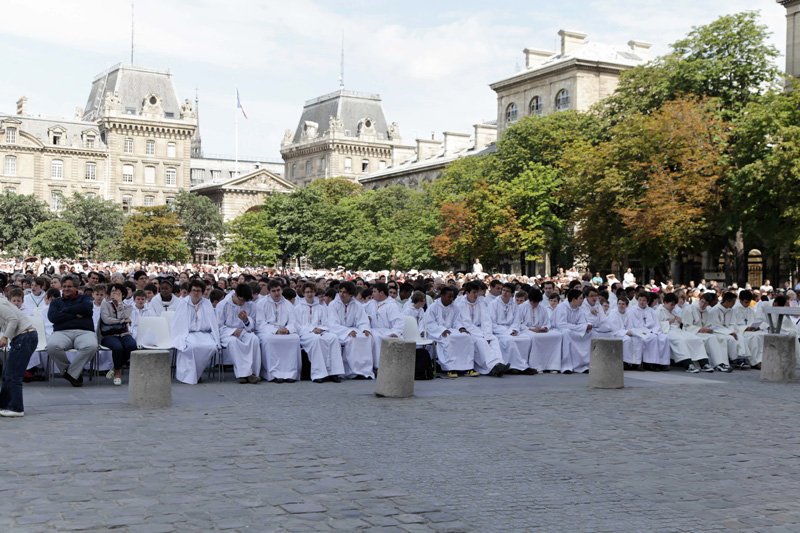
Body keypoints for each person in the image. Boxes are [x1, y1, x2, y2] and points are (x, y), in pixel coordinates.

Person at [47, 275, 98, 387]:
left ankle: (70, 373)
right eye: (64, 286)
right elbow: (53, 318)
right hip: (62, 332)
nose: (66, 289)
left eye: (69, 286)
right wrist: (75, 314)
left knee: (91, 346)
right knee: (52, 346)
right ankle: (72, 372)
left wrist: (64, 311)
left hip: (84, 332)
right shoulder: (56, 302)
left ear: (76, 288)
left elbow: (86, 309)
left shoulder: (85, 298)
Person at [171, 279, 220, 385]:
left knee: (211, 346)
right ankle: (189, 375)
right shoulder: (183, 303)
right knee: (191, 347)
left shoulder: (207, 303)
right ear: (189, 291)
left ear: (202, 292)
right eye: (193, 290)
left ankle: (197, 373)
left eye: (198, 291)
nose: (196, 293)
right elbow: (178, 323)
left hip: (204, 333)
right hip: (187, 333)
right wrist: (182, 336)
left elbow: (212, 322)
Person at [455, 281, 508, 377]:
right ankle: (492, 367)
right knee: (481, 342)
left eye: (477, 292)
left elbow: (486, 320)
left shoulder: (481, 301)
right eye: (473, 293)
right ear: (467, 293)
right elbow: (466, 323)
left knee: (494, 339)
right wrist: (481, 334)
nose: (476, 295)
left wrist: (487, 333)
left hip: (482, 330)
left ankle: (500, 363)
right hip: (470, 332)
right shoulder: (461, 304)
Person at [294, 283, 344, 383]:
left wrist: (320, 329)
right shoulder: (297, 308)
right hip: (305, 334)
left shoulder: (320, 307)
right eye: (307, 292)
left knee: (333, 338)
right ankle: (319, 374)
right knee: (317, 340)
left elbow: (326, 322)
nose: (309, 294)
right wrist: (311, 330)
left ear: (315, 292)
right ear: (303, 293)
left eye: (311, 292)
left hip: (320, 331)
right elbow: (297, 325)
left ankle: (334, 372)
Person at [0, 291, 38, 416]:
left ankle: (16, 408)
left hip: (25, 336)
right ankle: (5, 406)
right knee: (7, 374)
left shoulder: (1, 303)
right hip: (23, 337)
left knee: (13, 374)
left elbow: (13, 320)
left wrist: (5, 337)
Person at [255, 280, 301, 383]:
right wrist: (276, 331)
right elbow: (260, 323)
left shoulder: (288, 304)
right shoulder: (261, 303)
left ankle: (290, 373)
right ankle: (273, 374)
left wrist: (287, 329)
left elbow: (293, 321)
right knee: (270, 340)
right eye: (274, 291)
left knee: (295, 338)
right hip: (268, 331)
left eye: (278, 290)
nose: (277, 293)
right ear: (269, 292)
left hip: (285, 331)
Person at [424, 286, 475, 378]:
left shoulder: (454, 307)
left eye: (453, 297)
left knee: (467, 337)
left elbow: (457, 321)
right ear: (442, 296)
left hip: (451, 330)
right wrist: (441, 330)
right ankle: (450, 368)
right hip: (436, 332)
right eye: (449, 296)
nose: (451, 299)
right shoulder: (433, 307)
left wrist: (461, 328)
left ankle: (467, 368)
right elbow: (429, 324)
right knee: (449, 338)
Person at [327, 282, 374, 379]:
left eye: (344, 292)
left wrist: (365, 329)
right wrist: (347, 332)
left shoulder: (357, 305)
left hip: (353, 329)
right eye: (340, 291)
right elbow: (332, 324)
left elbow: (362, 320)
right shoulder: (333, 304)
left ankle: (363, 371)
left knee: (366, 337)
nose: (341, 294)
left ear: (351, 294)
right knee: (351, 339)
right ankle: (350, 372)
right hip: (338, 331)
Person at [216, 283, 261, 384]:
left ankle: (253, 373)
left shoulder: (250, 305)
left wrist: (246, 320)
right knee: (233, 342)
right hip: (226, 334)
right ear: (235, 294)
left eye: (244, 301)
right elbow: (218, 326)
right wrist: (232, 331)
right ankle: (243, 374)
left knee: (254, 339)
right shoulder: (223, 305)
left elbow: (253, 324)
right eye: (241, 300)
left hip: (244, 331)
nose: (242, 303)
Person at [657, 293, 710, 373]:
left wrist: (680, 321)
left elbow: (683, 324)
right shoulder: (658, 311)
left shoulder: (674, 311)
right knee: (681, 340)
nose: (673, 307)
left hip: (678, 330)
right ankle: (688, 364)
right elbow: (656, 326)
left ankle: (704, 363)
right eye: (671, 305)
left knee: (695, 338)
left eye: (674, 305)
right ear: (665, 302)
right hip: (667, 332)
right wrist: (668, 322)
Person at [489, 283, 532, 374]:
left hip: (511, 330)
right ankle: (520, 366)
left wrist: (514, 330)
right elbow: (492, 323)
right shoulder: (494, 304)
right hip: (498, 331)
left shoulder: (514, 304)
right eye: (503, 290)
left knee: (526, 339)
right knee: (509, 340)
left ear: (512, 294)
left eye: (507, 291)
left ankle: (515, 366)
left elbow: (516, 321)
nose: (504, 293)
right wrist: (507, 331)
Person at [99, 283, 137, 386]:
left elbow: (124, 315)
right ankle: (117, 373)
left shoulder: (127, 306)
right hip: (109, 334)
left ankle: (116, 367)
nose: (114, 294)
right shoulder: (105, 304)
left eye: (118, 292)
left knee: (132, 346)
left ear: (123, 295)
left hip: (124, 333)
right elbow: (106, 319)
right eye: (112, 291)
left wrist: (119, 304)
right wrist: (121, 321)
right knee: (118, 347)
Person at [517, 288, 562, 373]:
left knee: (557, 336)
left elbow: (547, 322)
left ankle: (553, 365)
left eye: (537, 302)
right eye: (533, 302)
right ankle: (537, 366)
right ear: (530, 300)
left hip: (540, 330)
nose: (535, 304)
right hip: (527, 330)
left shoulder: (542, 308)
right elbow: (518, 324)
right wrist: (531, 329)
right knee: (535, 337)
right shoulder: (521, 307)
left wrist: (544, 328)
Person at [681, 293, 729, 373]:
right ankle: (717, 364)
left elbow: (709, 324)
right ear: (700, 299)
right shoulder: (690, 309)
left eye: (706, 303)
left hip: (703, 333)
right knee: (711, 338)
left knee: (719, 338)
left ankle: (722, 363)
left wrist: (708, 329)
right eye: (702, 302)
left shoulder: (707, 311)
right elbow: (686, 326)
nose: (703, 305)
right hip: (691, 332)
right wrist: (700, 329)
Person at [364, 283, 405, 371]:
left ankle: (381, 367)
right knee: (369, 336)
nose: (372, 294)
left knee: (378, 337)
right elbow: (360, 311)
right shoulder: (371, 303)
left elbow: (398, 321)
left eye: (375, 291)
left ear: (381, 293)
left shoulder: (392, 305)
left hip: (388, 331)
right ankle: (370, 366)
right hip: (373, 330)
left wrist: (395, 332)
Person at [553, 289, 592, 374]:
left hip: (574, 330)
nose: (582, 300)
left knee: (589, 334)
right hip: (559, 330)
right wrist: (581, 327)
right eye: (580, 298)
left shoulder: (580, 308)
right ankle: (566, 366)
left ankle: (582, 365)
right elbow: (561, 324)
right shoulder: (562, 307)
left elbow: (583, 322)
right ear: (574, 299)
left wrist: (586, 326)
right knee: (566, 333)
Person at [628, 292, 671, 371]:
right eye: (640, 300)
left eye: (644, 300)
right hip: (639, 331)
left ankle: (664, 363)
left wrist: (654, 331)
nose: (641, 302)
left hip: (652, 331)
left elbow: (657, 324)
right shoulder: (633, 310)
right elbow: (633, 324)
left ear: (647, 302)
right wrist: (647, 331)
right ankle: (650, 363)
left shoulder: (651, 311)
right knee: (653, 338)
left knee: (664, 338)